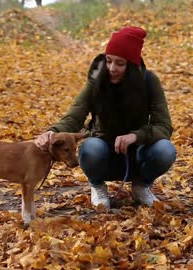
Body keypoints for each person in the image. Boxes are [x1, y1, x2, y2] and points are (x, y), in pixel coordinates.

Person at [35, 26, 176, 209]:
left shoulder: (148, 82)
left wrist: (136, 135)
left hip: (138, 155)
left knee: (165, 150)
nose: (111, 68)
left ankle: (141, 186)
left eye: (120, 63)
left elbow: (163, 125)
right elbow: (75, 115)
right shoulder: (97, 80)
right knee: (90, 147)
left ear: (131, 66)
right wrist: (52, 132)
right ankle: (97, 187)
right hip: (102, 152)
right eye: (109, 61)